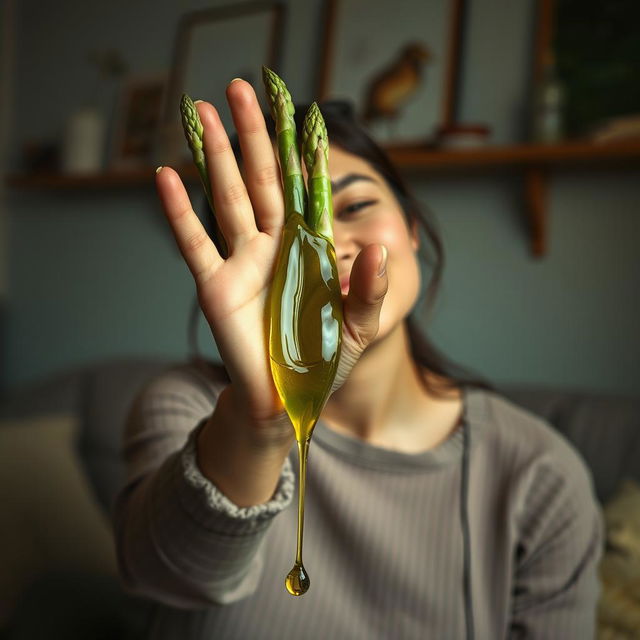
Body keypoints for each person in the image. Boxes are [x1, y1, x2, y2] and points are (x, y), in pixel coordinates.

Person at [114, 78, 603, 639]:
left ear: (413, 229)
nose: (325, 241)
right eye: (295, 227)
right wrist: (263, 422)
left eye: (357, 205)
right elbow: (164, 575)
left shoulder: (539, 474)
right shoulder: (186, 407)